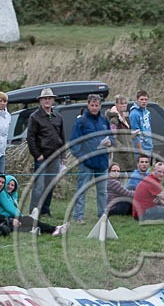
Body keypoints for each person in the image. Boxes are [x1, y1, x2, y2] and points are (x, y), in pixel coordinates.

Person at [70, 93, 112, 223]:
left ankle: (102, 215)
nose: (94, 108)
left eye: (97, 105)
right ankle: (78, 216)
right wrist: (82, 157)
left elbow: (112, 137)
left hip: (102, 162)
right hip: (86, 162)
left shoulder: (104, 120)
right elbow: (74, 143)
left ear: (100, 106)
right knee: (82, 190)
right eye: (92, 105)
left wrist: (110, 142)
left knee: (103, 191)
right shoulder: (81, 121)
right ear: (88, 105)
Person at [27, 87, 66, 216]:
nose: (47, 101)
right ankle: (34, 211)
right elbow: (30, 138)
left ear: (53, 100)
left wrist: (63, 155)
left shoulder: (58, 116)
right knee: (38, 186)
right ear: (40, 101)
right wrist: (37, 155)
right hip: (42, 157)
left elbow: (62, 137)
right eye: (45, 98)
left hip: (55, 156)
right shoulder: (35, 117)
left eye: (49, 98)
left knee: (50, 185)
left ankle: (45, 210)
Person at [0, 175, 68, 236]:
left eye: (12, 185)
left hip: (11, 217)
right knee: (30, 221)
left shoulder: (12, 195)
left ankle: (41, 229)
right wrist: (22, 217)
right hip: (6, 219)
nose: (10, 186)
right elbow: (9, 208)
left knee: (31, 222)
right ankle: (54, 229)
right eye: (8, 184)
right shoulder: (2, 193)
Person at [106, 95, 136, 177]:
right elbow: (112, 136)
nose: (124, 105)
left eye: (125, 103)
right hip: (119, 156)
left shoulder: (126, 118)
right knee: (119, 180)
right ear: (116, 104)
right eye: (121, 103)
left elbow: (126, 136)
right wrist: (122, 148)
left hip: (129, 154)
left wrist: (133, 135)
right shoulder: (114, 120)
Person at [129, 90, 153, 159]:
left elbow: (149, 129)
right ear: (137, 100)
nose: (144, 101)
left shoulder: (147, 112)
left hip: (148, 145)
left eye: (146, 99)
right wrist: (140, 151)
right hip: (140, 148)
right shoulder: (134, 114)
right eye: (141, 99)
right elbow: (135, 134)